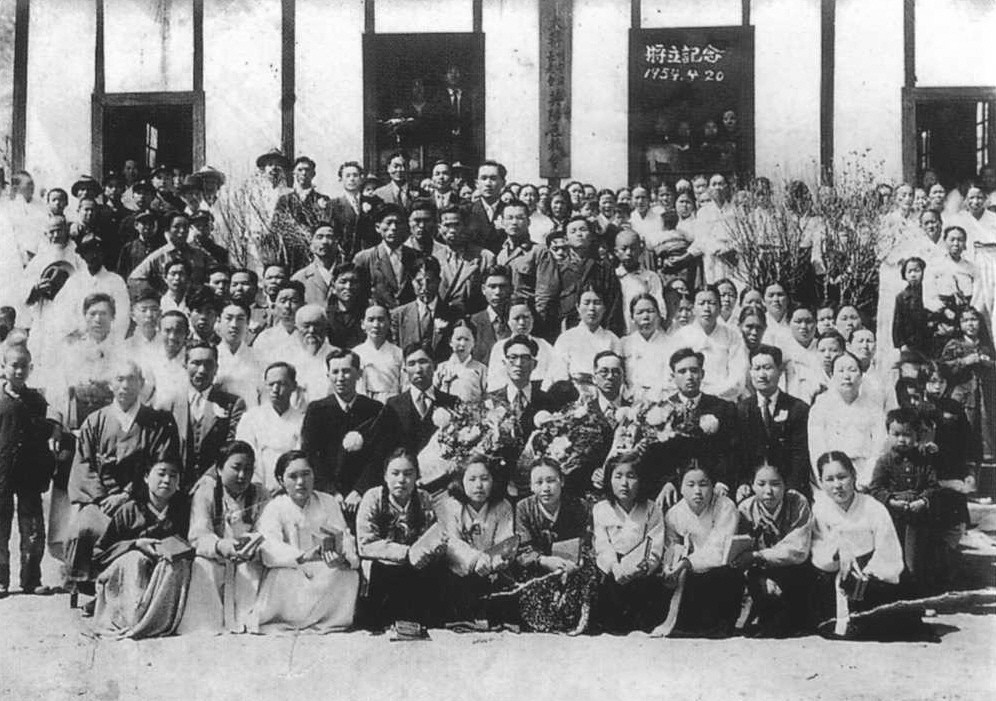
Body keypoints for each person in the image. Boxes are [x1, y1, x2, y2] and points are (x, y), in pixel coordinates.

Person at [810, 451, 930, 640]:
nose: (837, 485)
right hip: (836, 573)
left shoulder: (873, 507)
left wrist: (867, 574)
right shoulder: (820, 509)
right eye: (830, 479)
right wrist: (838, 553)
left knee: (887, 617)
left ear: (853, 475)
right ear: (821, 482)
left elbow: (887, 550)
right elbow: (819, 550)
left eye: (842, 477)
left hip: (871, 574)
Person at [250, 451, 360, 634]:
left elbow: (345, 536)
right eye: (293, 476)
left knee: (347, 575)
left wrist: (343, 557)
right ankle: (288, 621)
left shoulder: (328, 502)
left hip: (324, 572)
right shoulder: (275, 507)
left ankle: (327, 621)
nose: (301, 482)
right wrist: (302, 557)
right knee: (282, 575)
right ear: (281, 480)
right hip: (292, 570)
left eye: (306, 474)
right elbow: (269, 546)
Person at [90, 461, 191, 638]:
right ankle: (133, 618)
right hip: (131, 577)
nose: (167, 480)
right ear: (146, 477)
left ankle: (161, 620)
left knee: (179, 564)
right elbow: (99, 554)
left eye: (173, 475)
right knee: (135, 559)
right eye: (161, 473)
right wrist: (135, 544)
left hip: (166, 577)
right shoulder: (130, 510)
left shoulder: (183, 511)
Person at [180, 441, 268, 634]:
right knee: (203, 565)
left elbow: (266, 530)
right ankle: (208, 624)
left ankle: (248, 621)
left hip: (248, 557)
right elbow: (198, 533)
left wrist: (251, 546)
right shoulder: (206, 492)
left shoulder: (260, 493)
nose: (242, 475)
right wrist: (220, 546)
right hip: (216, 556)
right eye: (236, 468)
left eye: (248, 469)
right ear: (219, 469)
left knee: (254, 569)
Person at [355, 449, 445, 630]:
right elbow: (366, 544)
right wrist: (407, 552)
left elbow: (431, 534)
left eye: (408, 474)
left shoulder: (423, 498)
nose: (401, 480)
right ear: (385, 476)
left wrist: (433, 549)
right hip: (382, 567)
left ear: (417, 477)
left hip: (416, 567)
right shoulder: (373, 498)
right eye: (395, 473)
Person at [513, 458, 597, 633]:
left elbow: (586, 541)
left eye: (551, 481)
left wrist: (575, 561)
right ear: (531, 486)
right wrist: (543, 560)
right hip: (538, 568)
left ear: (562, 481)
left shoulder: (579, 506)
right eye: (539, 482)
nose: (546, 488)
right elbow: (523, 548)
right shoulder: (524, 508)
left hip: (571, 567)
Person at [661, 462, 743, 638]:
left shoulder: (725, 506)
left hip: (719, 570)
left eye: (703, 484)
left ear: (713, 486)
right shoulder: (674, 514)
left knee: (728, 575)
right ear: (681, 488)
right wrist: (670, 566)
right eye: (690, 485)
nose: (697, 491)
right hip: (689, 576)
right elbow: (672, 545)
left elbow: (719, 547)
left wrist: (686, 563)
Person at [0, 345, 56, 597]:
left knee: (32, 527)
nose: (19, 370)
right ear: (3, 368)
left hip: (30, 474)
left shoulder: (37, 400)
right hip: (2, 471)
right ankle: (1, 580)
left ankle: (31, 578)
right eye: (14, 365)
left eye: (24, 366)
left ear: (31, 368)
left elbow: (47, 430)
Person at [301, 348, 388, 507]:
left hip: (367, 495)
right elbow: (310, 455)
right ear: (328, 376)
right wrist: (332, 492)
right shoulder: (317, 410)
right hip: (327, 497)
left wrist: (359, 491)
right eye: (335, 372)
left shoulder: (374, 409)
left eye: (346, 371)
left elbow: (379, 455)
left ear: (359, 374)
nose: (340, 378)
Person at [735, 462, 814, 638]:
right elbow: (740, 552)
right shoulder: (745, 509)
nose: (768, 491)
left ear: (785, 484)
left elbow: (798, 549)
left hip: (793, 570)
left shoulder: (797, 502)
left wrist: (759, 555)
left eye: (776, 484)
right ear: (752, 485)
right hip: (759, 573)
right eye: (761, 484)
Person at [651, 348, 738, 504]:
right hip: (675, 486)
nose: (689, 376)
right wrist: (667, 482)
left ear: (702, 374)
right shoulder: (662, 411)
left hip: (713, 484)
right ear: (673, 377)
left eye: (694, 370)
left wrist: (722, 480)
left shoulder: (722, 408)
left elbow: (730, 450)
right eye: (682, 372)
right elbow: (658, 456)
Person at [592, 452, 665, 633]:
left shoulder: (652, 509)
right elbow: (602, 545)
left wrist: (641, 566)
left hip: (641, 571)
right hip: (611, 572)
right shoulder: (601, 509)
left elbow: (654, 544)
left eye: (631, 476)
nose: (624, 483)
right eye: (618, 476)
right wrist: (615, 567)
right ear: (609, 480)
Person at [437, 456, 515, 623]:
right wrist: (475, 559)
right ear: (461, 481)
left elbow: (505, 541)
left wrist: (495, 561)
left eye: (485, 479)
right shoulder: (451, 506)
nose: (478, 485)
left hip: (492, 571)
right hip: (459, 572)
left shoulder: (503, 506)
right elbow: (452, 543)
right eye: (471, 479)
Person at [869, 409, 939, 593]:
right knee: (893, 558)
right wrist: (891, 501)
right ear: (888, 434)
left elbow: (934, 486)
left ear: (917, 435)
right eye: (896, 434)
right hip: (892, 520)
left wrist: (923, 501)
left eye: (907, 435)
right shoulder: (884, 462)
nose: (901, 439)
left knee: (915, 560)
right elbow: (875, 488)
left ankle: (918, 599)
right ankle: (896, 598)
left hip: (917, 520)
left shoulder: (924, 460)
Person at [158, 342, 246, 490]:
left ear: (216, 368)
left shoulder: (232, 404)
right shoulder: (168, 405)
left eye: (208, 364)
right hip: (176, 487)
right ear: (185, 365)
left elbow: (232, 448)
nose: (202, 370)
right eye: (196, 363)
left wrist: (210, 478)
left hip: (215, 486)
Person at [735, 345, 812, 499]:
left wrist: (791, 488)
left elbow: (800, 454)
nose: (761, 375)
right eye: (756, 368)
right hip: (753, 488)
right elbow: (738, 454)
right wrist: (743, 483)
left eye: (767, 368)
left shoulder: (798, 408)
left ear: (779, 371)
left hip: (789, 488)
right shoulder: (741, 410)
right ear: (750, 372)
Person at [808, 352, 886, 488]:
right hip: (833, 474)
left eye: (853, 370)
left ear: (861, 376)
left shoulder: (873, 407)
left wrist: (867, 479)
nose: (847, 376)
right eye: (841, 370)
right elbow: (817, 447)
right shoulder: (821, 406)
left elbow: (880, 447)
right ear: (831, 376)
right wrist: (827, 480)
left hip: (865, 473)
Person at [669, 286, 749, 402]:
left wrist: (714, 395)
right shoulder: (681, 336)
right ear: (693, 308)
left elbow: (738, 376)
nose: (706, 308)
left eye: (712, 303)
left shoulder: (732, 336)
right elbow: (672, 374)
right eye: (701, 303)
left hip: (723, 401)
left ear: (719, 307)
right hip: (689, 400)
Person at [940, 306, 995, 468]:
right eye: (965, 320)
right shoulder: (954, 344)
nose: (970, 324)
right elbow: (943, 368)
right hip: (962, 397)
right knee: (964, 433)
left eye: (974, 320)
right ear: (960, 324)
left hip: (985, 398)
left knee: (985, 432)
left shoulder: (986, 346)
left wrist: (988, 363)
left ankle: (984, 476)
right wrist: (964, 361)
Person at [235, 362, 303, 492]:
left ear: (293, 386)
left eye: (282, 384)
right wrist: (258, 488)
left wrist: (284, 485)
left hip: (291, 489)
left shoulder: (301, 420)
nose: (275, 390)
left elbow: (300, 460)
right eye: (271, 384)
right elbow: (245, 456)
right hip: (256, 489)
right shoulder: (251, 418)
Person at [383, 342, 459, 456]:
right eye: (411, 364)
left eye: (423, 362)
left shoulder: (451, 402)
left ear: (434, 365)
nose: (418, 369)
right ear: (405, 370)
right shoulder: (393, 405)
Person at [549, 286, 622, 386]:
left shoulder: (613, 340)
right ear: (578, 307)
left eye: (597, 303)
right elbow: (558, 374)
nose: (591, 308)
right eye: (586, 303)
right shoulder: (566, 339)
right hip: (573, 394)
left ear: (604, 308)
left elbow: (619, 376)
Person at [389, 256, 456, 361]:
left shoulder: (453, 314)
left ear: (439, 281)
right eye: (419, 282)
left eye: (430, 281)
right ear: (412, 282)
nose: (425, 288)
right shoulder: (398, 315)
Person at [352, 203, 417, 309]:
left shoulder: (415, 256)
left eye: (398, 223)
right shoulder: (365, 258)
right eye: (388, 223)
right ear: (378, 227)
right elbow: (358, 295)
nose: (394, 228)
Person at [127, 213, 211, 295]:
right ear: (168, 230)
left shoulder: (199, 254)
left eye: (185, 227)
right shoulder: (159, 255)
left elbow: (216, 273)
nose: (182, 231)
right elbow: (134, 279)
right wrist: (155, 295)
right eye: (176, 227)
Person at [437, 205, 497, 316]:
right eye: (447, 225)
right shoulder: (434, 258)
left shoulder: (485, 257)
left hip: (473, 319)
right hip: (442, 320)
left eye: (457, 225)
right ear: (439, 228)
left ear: (465, 226)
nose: (452, 230)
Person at [485, 297, 554, 392]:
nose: (522, 323)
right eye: (516, 318)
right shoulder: (499, 348)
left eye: (526, 317)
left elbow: (552, 377)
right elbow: (494, 382)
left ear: (533, 319)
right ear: (508, 321)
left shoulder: (545, 346)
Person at [214, 301, 261, 406]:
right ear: (219, 322)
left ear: (248, 323)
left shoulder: (257, 357)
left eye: (240, 319)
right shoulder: (211, 356)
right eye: (228, 318)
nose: (234, 325)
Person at [354, 304, 403, 402]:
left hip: (391, 403)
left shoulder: (398, 354)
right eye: (371, 320)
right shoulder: (355, 354)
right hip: (363, 403)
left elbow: (405, 385)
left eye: (381, 320)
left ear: (389, 323)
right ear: (363, 324)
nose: (376, 325)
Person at [252, 281, 305, 367]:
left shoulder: (309, 335)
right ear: (274, 306)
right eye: (283, 301)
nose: (287, 306)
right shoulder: (265, 338)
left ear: (302, 305)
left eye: (294, 301)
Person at [435, 319, 488, 403]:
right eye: (458, 339)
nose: (462, 343)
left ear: (473, 343)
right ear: (450, 342)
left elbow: (487, 396)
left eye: (467, 339)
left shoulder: (481, 369)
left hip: (472, 412)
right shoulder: (442, 368)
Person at [468, 264, 512, 363]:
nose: (498, 292)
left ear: (510, 289)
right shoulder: (472, 323)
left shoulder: (519, 320)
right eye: (492, 287)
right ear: (483, 289)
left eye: (503, 286)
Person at [463, 161, 507, 253]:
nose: (488, 183)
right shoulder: (466, 211)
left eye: (493, 178)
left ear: (503, 183)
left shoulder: (509, 211)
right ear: (477, 183)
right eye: (483, 178)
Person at [292, 225, 342, 306]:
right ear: (311, 245)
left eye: (329, 237)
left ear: (337, 243)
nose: (324, 241)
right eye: (319, 237)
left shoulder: (348, 275)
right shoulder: (299, 278)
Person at [892, 257, 931, 356]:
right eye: (909, 271)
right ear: (904, 275)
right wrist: (901, 344)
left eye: (917, 271)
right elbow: (897, 322)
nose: (913, 275)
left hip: (930, 340)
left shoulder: (930, 293)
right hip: (911, 344)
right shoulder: (902, 297)